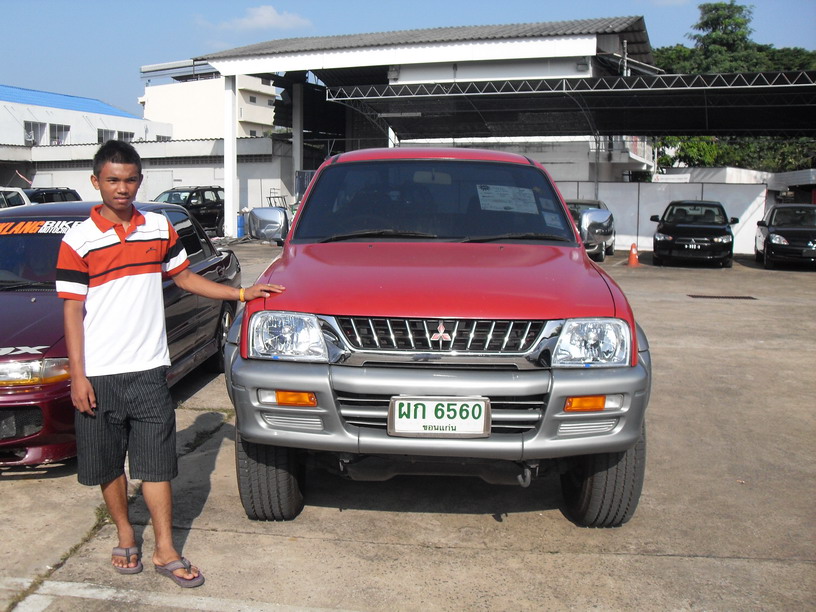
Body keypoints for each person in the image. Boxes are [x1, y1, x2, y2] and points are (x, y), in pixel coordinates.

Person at [56, 140, 284, 588]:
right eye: (113, 180)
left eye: (130, 180)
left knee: (157, 465)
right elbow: (71, 310)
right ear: (96, 181)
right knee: (107, 464)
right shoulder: (77, 241)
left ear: (140, 181)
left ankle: (165, 548)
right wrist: (77, 375)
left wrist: (241, 293)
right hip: (99, 374)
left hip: (149, 371)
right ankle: (125, 534)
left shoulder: (158, 227)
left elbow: (185, 277)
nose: (122, 189)